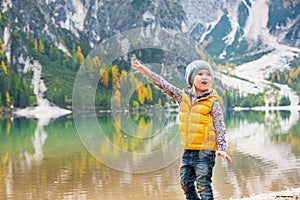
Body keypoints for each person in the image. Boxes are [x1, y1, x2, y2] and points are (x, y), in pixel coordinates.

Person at [132, 59, 232, 200]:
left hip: (206, 151)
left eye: (208, 74)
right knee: (185, 183)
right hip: (188, 150)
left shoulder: (213, 101)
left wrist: (221, 147)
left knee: (203, 184)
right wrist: (146, 72)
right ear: (191, 78)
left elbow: (220, 125)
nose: (205, 77)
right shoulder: (182, 97)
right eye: (200, 74)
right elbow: (164, 85)